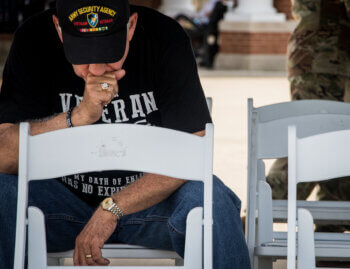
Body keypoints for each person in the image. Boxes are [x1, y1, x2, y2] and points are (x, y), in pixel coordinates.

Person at [0, 0, 250, 268]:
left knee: (213, 199)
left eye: (109, 51)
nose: (97, 70)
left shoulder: (165, 36)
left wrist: (112, 208)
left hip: (151, 205)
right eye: (82, 54)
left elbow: (195, 149)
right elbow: (4, 156)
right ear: (60, 30)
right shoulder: (33, 38)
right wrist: (79, 116)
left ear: (131, 27)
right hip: (60, 205)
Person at [267, 0, 350, 232]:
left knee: (339, 142)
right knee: (311, 142)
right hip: (324, 60)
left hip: (324, 57)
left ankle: (331, 226)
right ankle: (260, 210)